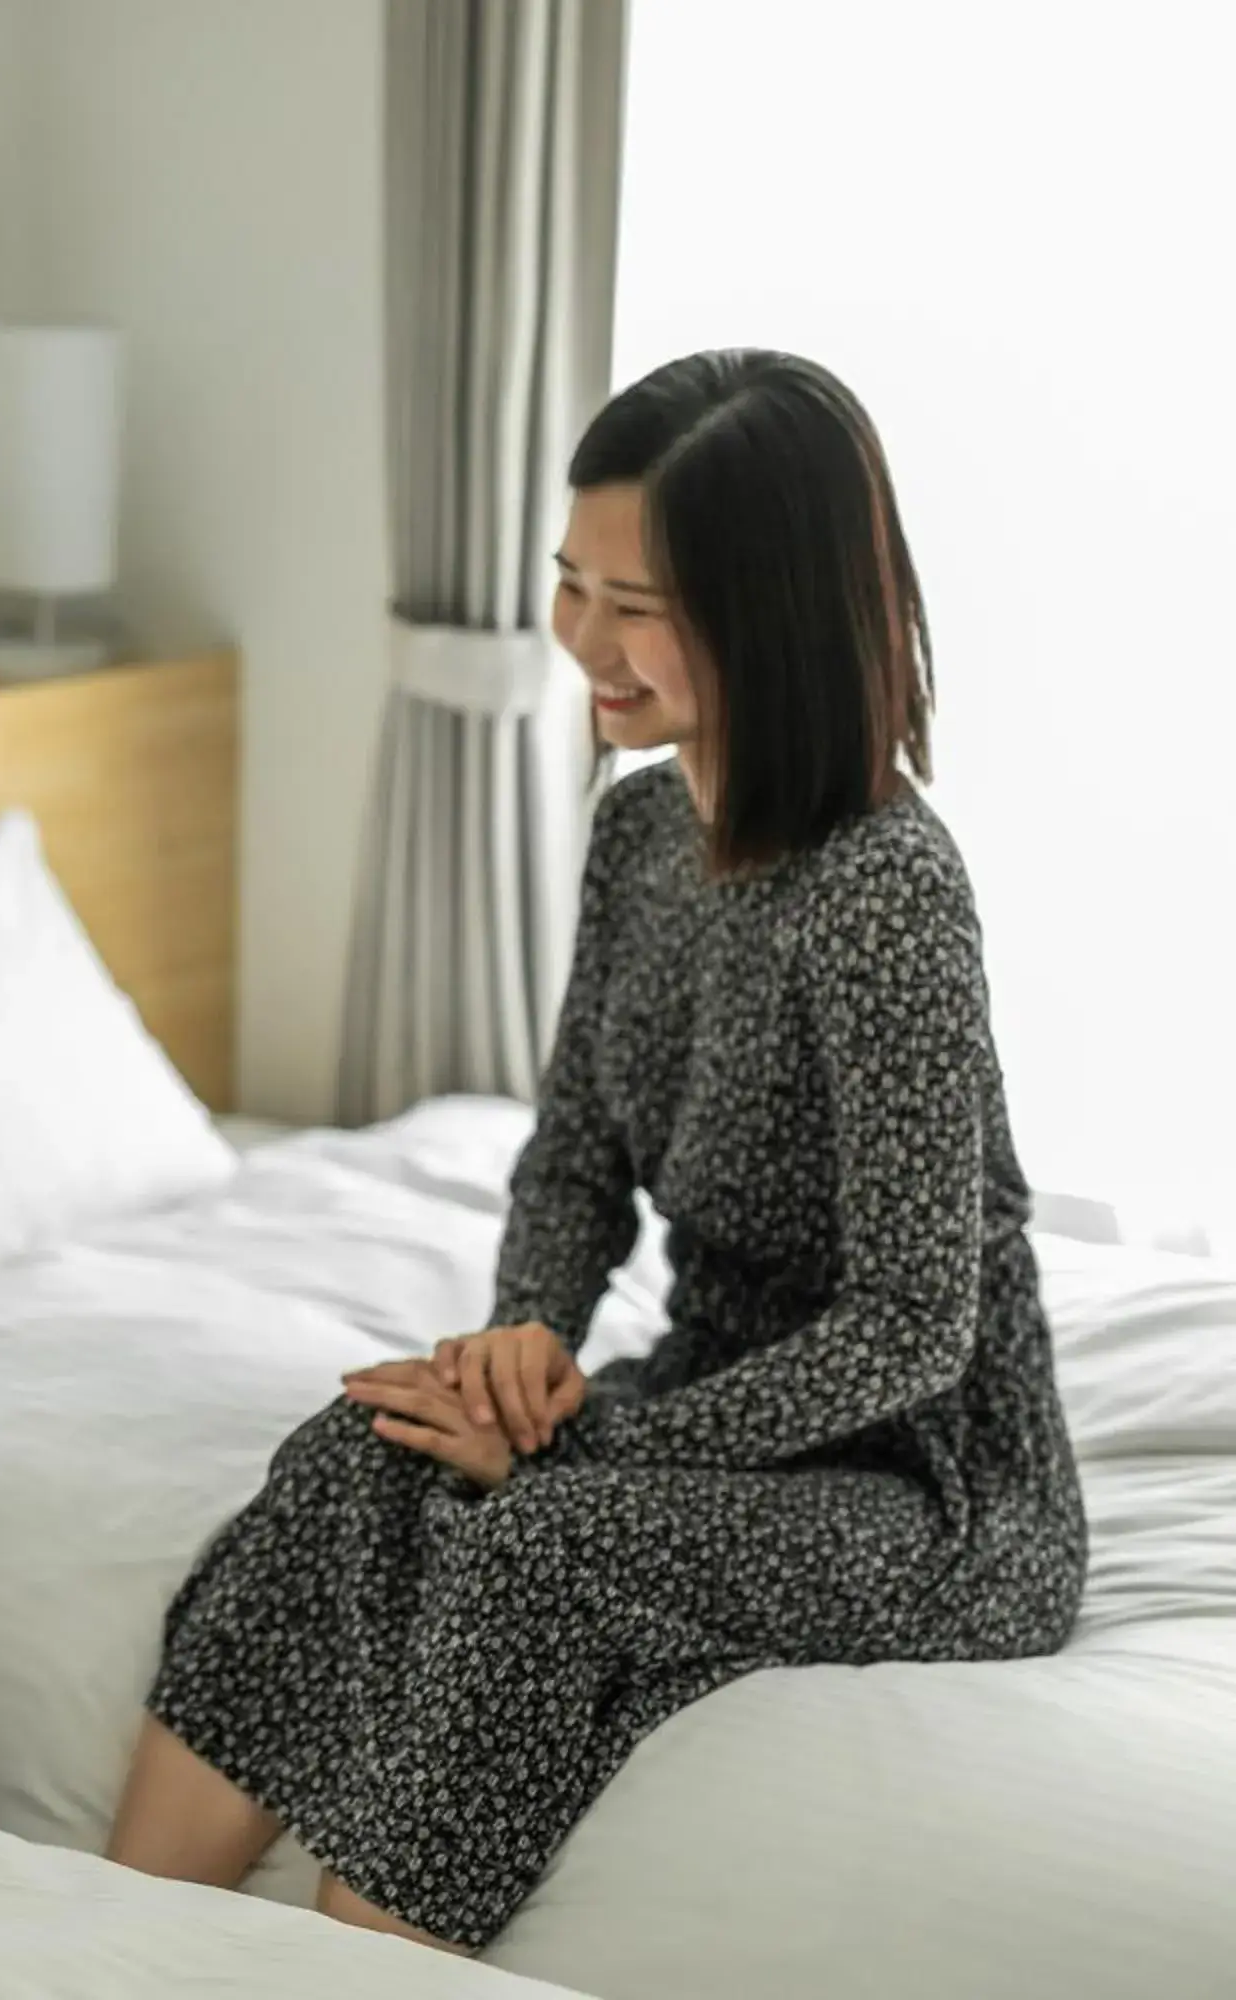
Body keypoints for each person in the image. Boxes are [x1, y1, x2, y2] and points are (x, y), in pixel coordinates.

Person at [104, 350, 1087, 1951]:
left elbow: (917, 1325)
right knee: (365, 1454)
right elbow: (573, 1162)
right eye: (573, 584)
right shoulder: (640, 834)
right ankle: (99, 1942)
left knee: (546, 1545)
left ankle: (358, 1968)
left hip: (930, 1482)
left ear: (767, 612)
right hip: (715, 1398)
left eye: (640, 602)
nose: (586, 640)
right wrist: (520, 1348)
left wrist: (583, 1453)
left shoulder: (885, 887)